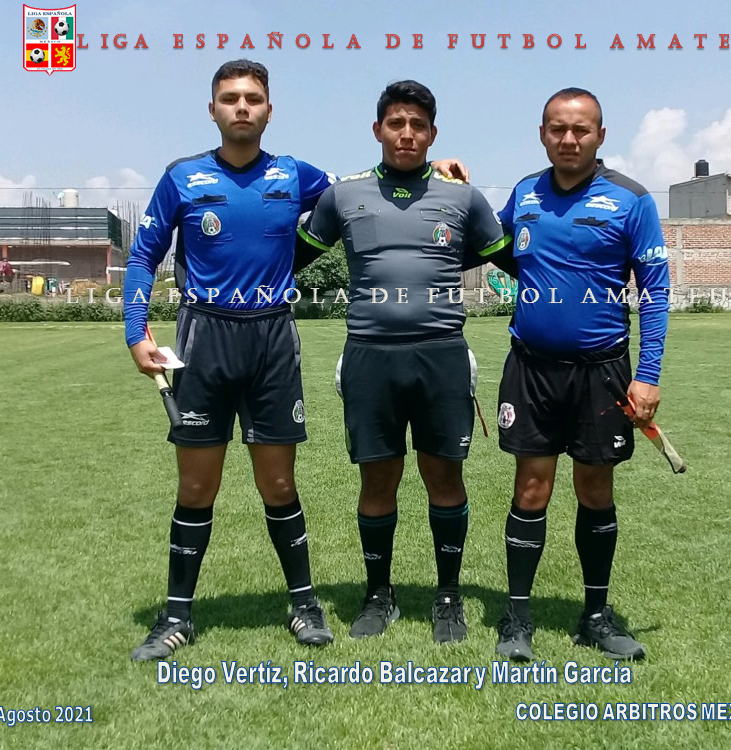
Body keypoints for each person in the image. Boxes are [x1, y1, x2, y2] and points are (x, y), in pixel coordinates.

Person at [123, 61, 469, 662]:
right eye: (230, 98)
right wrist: (136, 334)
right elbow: (141, 257)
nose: (241, 107)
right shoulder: (181, 177)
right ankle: (176, 615)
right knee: (197, 485)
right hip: (204, 338)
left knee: (279, 482)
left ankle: (305, 604)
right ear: (212, 109)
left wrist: (429, 168)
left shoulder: (297, 175)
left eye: (253, 98)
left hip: (273, 339)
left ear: (268, 110)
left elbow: (368, 183)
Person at [296, 80, 508, 643]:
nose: (407, 133)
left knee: (445, 476)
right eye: (397, 123)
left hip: (441, 356)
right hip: (370, 358)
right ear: (378, 130)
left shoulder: (463, 198)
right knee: (377, 479)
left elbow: (515, 255)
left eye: (418, 125)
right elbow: (288, 257)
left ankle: (448, 596)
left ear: (433, 134)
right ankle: (378, 594)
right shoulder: (343, 196)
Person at [491, 88, 670, 662]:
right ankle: (517, 618)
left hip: (602, 373)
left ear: (600, 135)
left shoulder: (631, 200)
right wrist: (448, 184)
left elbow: (656, 292)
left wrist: (647, 375)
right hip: (532, 369)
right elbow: (492, 244)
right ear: (543, 133)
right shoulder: (524, 192)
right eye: (557, 129)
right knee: (531, 488)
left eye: (581, 129)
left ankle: (595, 615)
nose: (569, 139)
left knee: (595, 488)